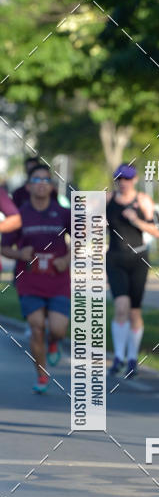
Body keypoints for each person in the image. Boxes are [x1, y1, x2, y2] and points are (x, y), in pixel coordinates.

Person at [1, 164, 70, 393]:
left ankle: (54, 342)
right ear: (28, 186)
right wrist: (19, 254)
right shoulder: (19, 215)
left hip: (58, 280)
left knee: (58, 329)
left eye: (46, 180)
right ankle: (41, 375)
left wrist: (67, 259)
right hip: (30, 280)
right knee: (36, 326)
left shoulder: (63, 213)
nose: (41, 184)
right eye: (37, 180)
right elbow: (4, 247)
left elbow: (81, 240)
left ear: (51, 187)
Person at [106, 163, 159, 379]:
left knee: (134, 311)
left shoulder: (143, 201)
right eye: (119, 179)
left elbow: (156, 231)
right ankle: (118, 357)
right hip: (115, 258)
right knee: (121, 307)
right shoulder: (108, 200)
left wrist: (135, 219)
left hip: (138, 258)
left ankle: (132, 358)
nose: (123, 183)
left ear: (135, 179)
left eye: (127, 178)